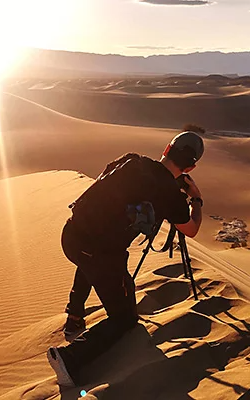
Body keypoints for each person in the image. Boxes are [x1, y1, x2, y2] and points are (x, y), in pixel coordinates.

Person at [47, 131, 205, 387]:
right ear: (191, 166)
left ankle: (75, 317)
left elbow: (103, 184)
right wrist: (196, 199)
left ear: (166, 148)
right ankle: (69, 357)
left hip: (71, 234)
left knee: (91, 262)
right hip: (100, 253)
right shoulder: (171, 195)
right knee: (125, 319)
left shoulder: (131, 160)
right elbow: (191, 229)